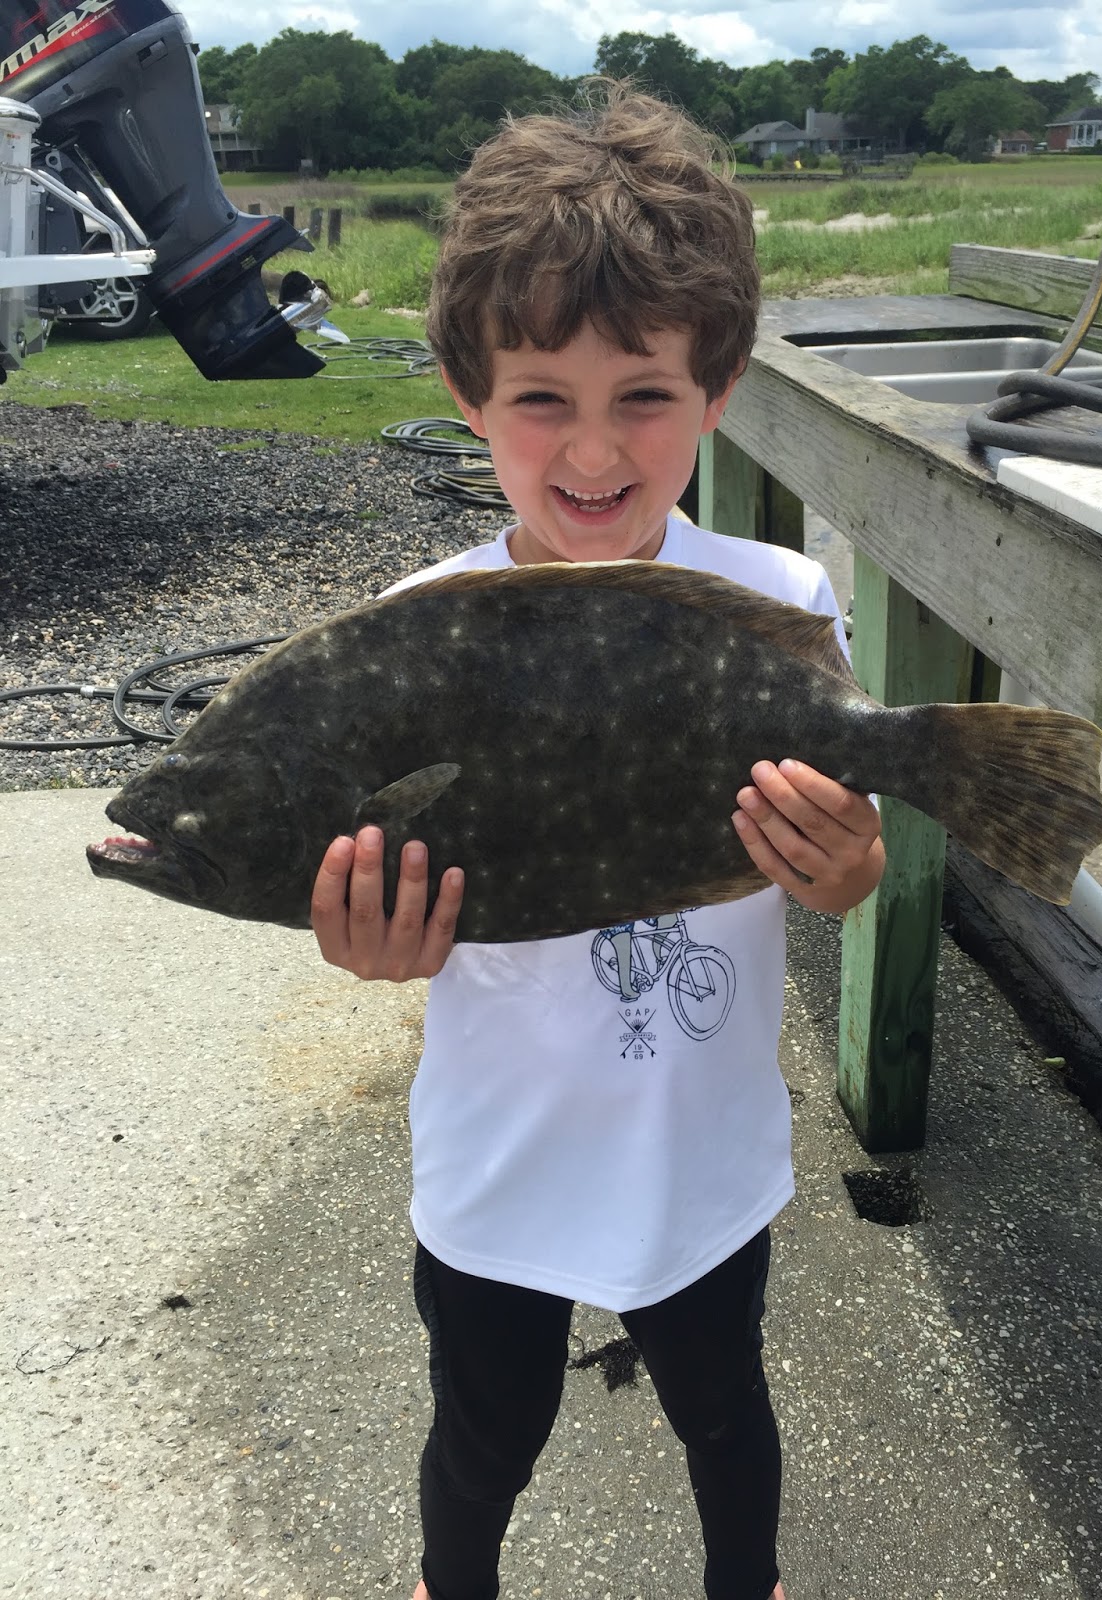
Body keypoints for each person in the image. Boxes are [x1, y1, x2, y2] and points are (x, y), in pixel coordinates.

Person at [309, 80, 885, 1600]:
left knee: (726, 1410)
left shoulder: (782, 600)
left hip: (706, 1158)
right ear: (466, 392)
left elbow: (849, 860)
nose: (592, 449)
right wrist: (370, 947)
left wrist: (850, 867)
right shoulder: (413, 635)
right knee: (482, 1431)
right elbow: (385, 902)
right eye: (539, 399)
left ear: (718, 391)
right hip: (500, 1163)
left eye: (643, 395)